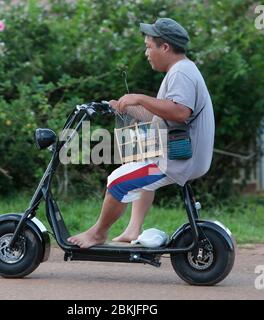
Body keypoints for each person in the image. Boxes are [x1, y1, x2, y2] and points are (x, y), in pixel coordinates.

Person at [68, 18, 215, 248]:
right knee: (138, 163)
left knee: (118, 180)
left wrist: (139, 97)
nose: (147, 53)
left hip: (178, 160)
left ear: (165, 47)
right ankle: (133, 229)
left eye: (149, 47)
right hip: (182, 154)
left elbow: (180, 112)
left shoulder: (181, 73)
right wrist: (126, 107)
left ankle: (97, 234)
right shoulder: (181, 70)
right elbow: (161, 116)